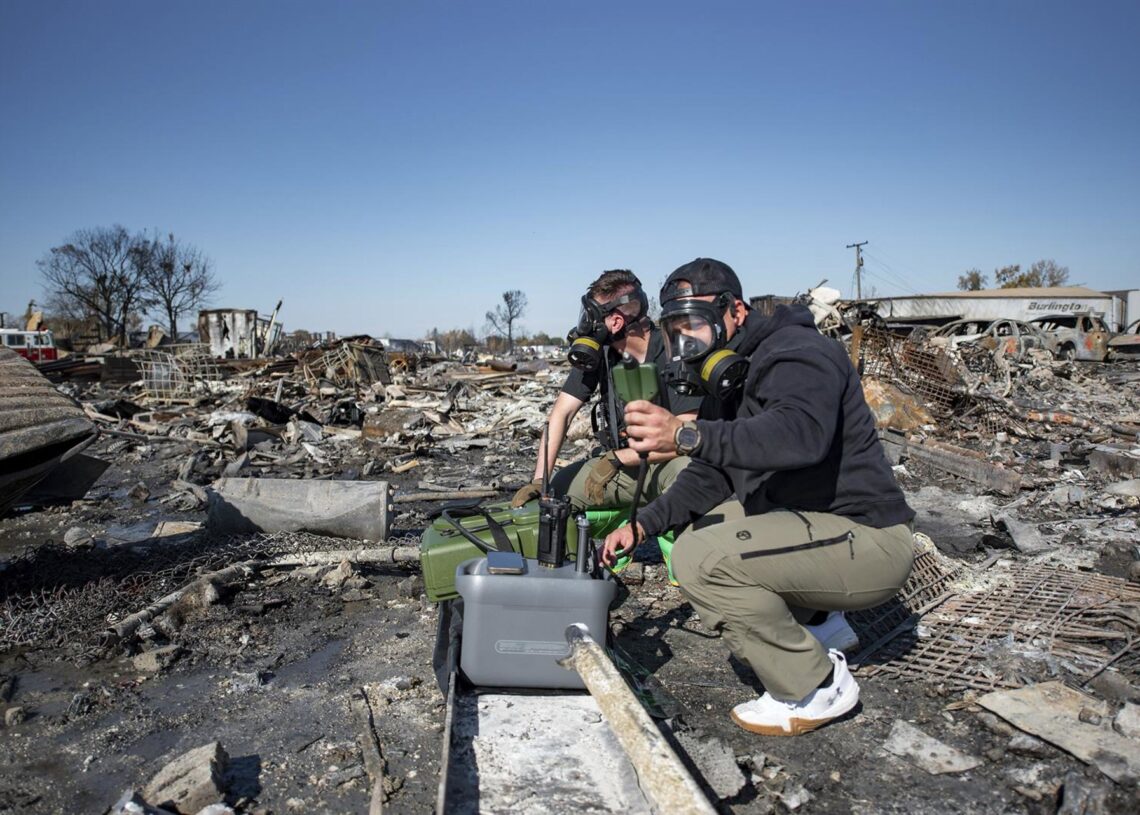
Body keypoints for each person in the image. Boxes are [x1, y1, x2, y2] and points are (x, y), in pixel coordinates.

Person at [601, 258, 915, 736]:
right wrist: (641, 525)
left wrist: (687, 437)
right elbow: (710, 474)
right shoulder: (731, 375)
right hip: (824, 534)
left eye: (696, 325)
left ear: (736, 312)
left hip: (870, 540)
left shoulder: (797, 352)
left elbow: (799, 435)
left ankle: (814, 686)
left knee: (700, 559)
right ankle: (820, 624)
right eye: (676, 330)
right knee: (711, 523)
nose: (688, 342)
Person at [512, 270, 703, 573]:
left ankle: (687, 556)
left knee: (689, 474)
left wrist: (617, 458)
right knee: (556, 495)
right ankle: (581, 566)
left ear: (615, 321)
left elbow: (687, 435)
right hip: (624, 465)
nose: (586, 325)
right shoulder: (601, 353)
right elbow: (561, 413)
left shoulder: (675, 351)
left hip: (670, 460)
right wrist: (540, 480)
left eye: (591, 317)